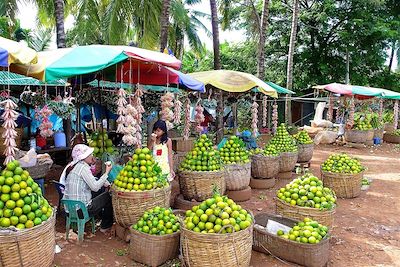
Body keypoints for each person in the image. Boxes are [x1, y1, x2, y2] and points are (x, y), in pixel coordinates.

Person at [60, 144, 114, 233]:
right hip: (80, 211)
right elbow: (95, 187)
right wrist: (107, 172)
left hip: (69, 210)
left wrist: (106, 183)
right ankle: (105, 226)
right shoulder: (83, 168)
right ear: (84, 157)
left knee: (98, 193)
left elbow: (92, 180)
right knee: (108, 196)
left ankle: (100, 217)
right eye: (90, 155)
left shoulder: (75, 167)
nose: (92, 156)